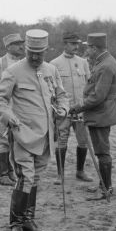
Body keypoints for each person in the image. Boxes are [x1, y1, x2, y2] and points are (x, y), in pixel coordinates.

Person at [0, 29, 69, 231]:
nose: (35, 57)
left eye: (39, 53)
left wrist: (63, 109)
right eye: (31, 52)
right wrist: (10, 117)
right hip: (23, 135)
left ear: (45, 51)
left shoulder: (51, 70)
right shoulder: (13, 71)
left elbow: (62, 95)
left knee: (35, 177)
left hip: (45, 137)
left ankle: (28, 219)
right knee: (25, 176)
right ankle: (15, 223)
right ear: (25, 49)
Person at [68, 33, 116, 200]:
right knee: (101, 151)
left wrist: (78, 107)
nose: (86, 51)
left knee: (102, 152)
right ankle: (103, 185)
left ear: (94, 48)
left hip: (101, 115)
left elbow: (98, 96)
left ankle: (106, 188)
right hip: (100, 113)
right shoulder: (104, 62)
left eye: (88, 48)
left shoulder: (105, 66)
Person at [50, 31, 93, 183]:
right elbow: (51, 89)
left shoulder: (83, 62)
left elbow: (89, 85)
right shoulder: (54, 64)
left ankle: (80, 172)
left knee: (83, 141)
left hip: (81, 110)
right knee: (62, 141)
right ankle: (60, 175)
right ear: (65, 44)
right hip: (64, 111)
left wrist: (86, 104)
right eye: (73, 44)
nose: (76, 47)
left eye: (77, 44)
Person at [0, 33, 26, 185]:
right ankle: (2, 175)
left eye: (22, 43)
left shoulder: (24, 63)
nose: (21, 46)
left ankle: (10, 172)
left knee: (15, 141)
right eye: (17, 44)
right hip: (3, 109)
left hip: (20, 110)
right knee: (2, 141)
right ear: (8, 47)